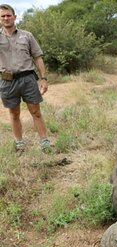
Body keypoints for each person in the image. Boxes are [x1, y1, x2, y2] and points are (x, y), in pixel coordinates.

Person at [0, 4, 50, 152]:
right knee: (14, 113)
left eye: (8, 15)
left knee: (35, 111)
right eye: (3, 16)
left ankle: (44, 142)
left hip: (28, 78)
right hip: (7, 80)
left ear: (14, 17)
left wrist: (43, 78)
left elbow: (38, 57)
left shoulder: (27, 35)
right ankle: (19, 143)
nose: (6, 18)